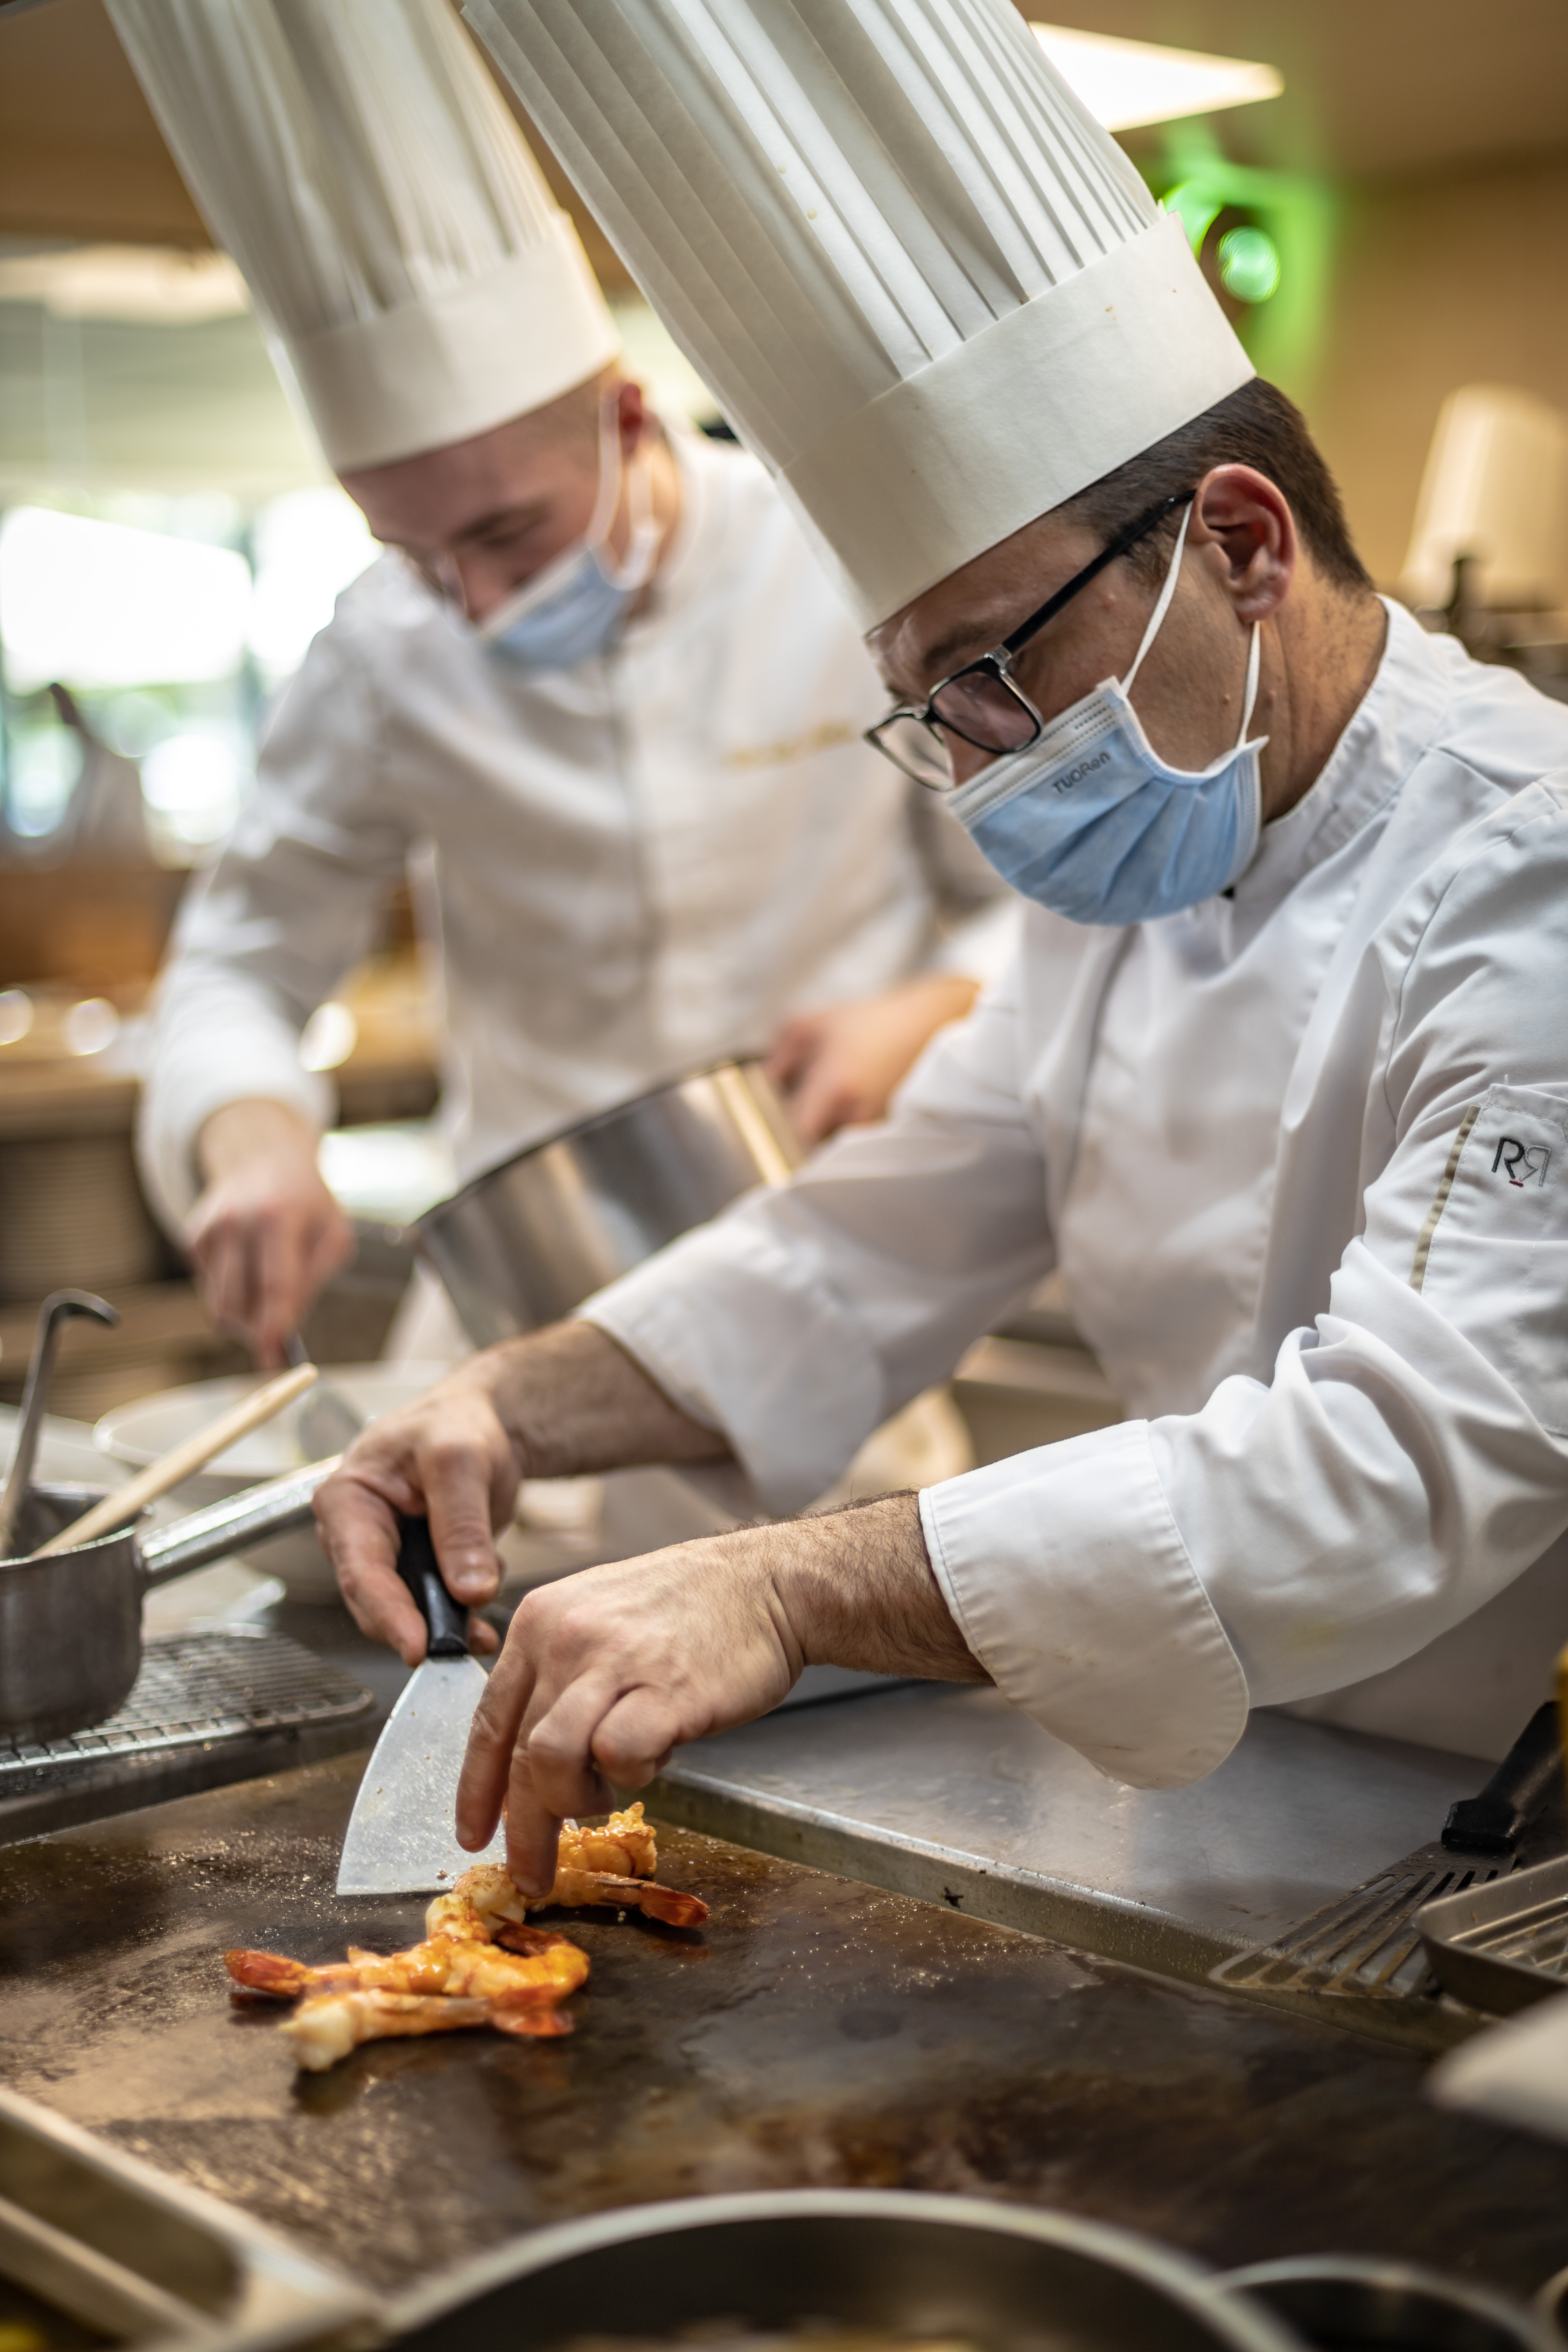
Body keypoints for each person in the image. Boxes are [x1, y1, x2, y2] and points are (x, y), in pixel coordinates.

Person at [316, 0, 1568, 1897]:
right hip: (1241, 1797)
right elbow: (868, 1241)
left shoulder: (1528, 869)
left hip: (1512, 1830)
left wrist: (784, 1588)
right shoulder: (1161, 852)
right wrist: (503, 1398)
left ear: (1242, 545)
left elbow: (1391, 1467)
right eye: (931, 708)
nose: (981, 769)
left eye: (996, 668)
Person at [113, 0, 1010, 1369]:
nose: (472, 604)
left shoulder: (840, 570)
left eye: (504, 535)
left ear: (627, 419)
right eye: (413, 554)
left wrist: (928, 1012)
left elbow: (1028, 902)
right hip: (518, 1304)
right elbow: (241, 961)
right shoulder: (380, 653)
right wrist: (252, 1138)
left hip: (830, 1266)